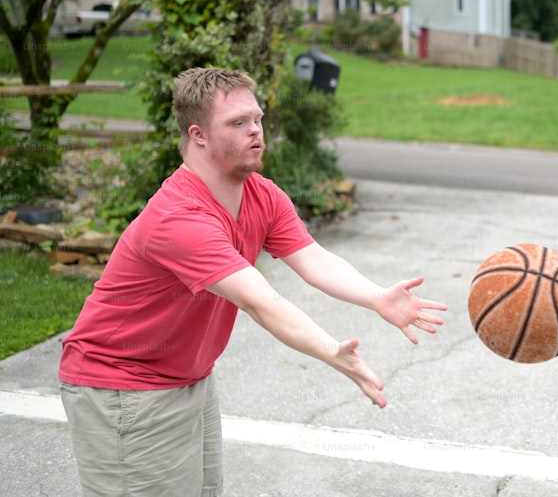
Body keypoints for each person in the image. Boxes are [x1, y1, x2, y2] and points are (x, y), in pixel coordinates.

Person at [59, 67, 448, 497]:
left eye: (257, 119)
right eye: (238, 123)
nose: (255, 131)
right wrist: (329, 352)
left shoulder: (261, 195)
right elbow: (262, 302)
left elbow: (315, 260)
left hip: (189, 377)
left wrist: (377, 297)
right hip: (124, 386)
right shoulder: (180, 217)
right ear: (199, 135)